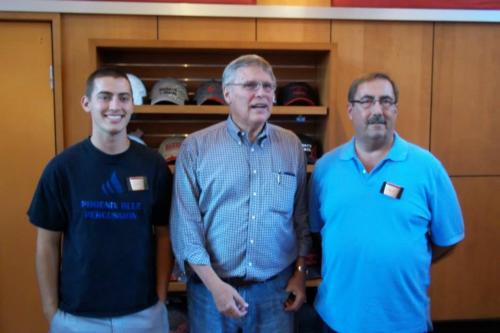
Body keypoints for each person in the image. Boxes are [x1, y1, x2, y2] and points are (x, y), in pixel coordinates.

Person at [309, 72, 465, 333]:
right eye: (367, 101)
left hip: (404, 320)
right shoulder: (325, 168)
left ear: (395, 109)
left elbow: (447, 239)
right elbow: (318, 232)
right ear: (350, 110)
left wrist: (406, 257)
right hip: (338, 318)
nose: (378, 110)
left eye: (386, 101)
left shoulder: (427, 167)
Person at [170, 54, 311, 333]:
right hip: (211, 293)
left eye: (268, 86)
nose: (261, 93)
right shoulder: (197, 147)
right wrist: (215, 286)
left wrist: (300, 274)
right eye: (250, 86)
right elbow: (186, 228)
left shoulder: (291, 145)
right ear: (227, 94)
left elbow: (299, 217)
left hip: (275, 291)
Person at [28, 68, 173, 333]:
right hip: (77, 316)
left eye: (123, 98)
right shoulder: (62, 168)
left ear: (132, 104)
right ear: (87, 103)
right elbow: (47, 243)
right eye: (105, 97)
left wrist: (160, 298)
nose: (115, 106)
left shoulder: (153, 165)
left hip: (142, 313)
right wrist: (50, 309)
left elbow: (164, 235)